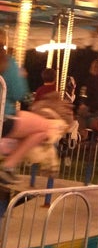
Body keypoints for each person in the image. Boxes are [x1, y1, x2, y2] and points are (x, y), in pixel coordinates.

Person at [0, 46, 52, 185]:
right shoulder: (7, 62)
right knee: (44, 128)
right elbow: (20, 93)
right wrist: (21, 76)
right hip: (4, 118)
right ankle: (8, 166)